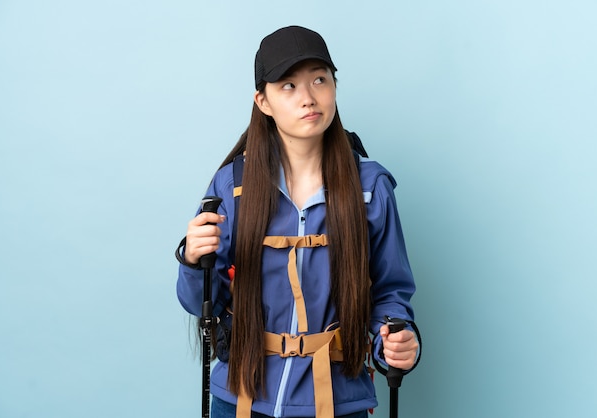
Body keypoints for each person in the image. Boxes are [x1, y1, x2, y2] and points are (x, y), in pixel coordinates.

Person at [176, 25, 420, 418]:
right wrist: (191, 260)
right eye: (288, 86)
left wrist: (396, 342)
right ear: (263, 101)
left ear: (334, 88)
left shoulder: (370, 187)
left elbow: (390, 292)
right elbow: (201, 303)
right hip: (240, 398)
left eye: (319, 80)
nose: (308, 98)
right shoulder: (232, 185)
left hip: (338, 401)